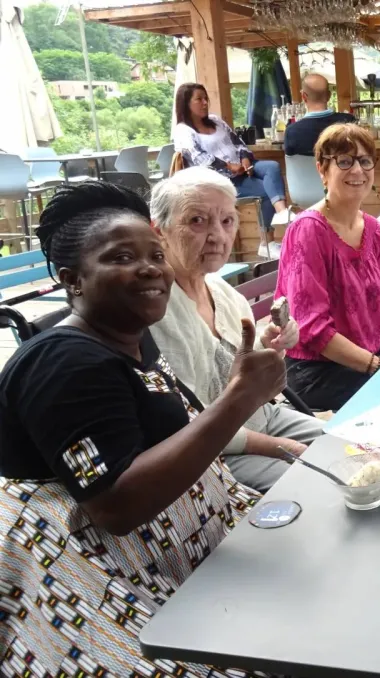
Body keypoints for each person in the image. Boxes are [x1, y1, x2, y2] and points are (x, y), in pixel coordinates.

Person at [0, 182, 286, 674]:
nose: (152, 267)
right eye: (122, 257)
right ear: (73, 281)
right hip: (94, 576)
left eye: (156, 254)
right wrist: (240, 398)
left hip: (188, 554)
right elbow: (114, 505)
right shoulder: (64, 364)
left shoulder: (132, 340)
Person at [148, 167, 325, 492]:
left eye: (227, 220)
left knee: (348, 450)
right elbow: (188, 425)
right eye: (197, 221)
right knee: (314, 485)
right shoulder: (156, 311)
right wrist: (281, 448)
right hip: (212, 453)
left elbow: (259, 386)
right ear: (159, 231)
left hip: (263, 417)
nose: (218, 235)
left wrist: (272, 346)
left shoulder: (224, 293)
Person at [277, 123, 380, 412]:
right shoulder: (308, 230)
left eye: (364, 160)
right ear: (322, 170)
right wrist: (378, 367)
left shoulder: (373, 228)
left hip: (370, 357)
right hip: (317, 370)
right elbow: (312, 328)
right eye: (344, 161)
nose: (358, 170)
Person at [171, 82, 290, 258]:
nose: (205, 103)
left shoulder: (216, 121)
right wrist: (229, 166)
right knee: (266, 191)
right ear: (186, 103)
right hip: (218, 182)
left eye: (206, 98)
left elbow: (238, 142)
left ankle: (282, 213)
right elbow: (199, 158)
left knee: (272, 166)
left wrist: (244, 158)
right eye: (199, 99)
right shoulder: (183, 131)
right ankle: (267, 242)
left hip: (241, 169)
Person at [284, 73, 356, 157]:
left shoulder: (291, 131)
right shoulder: (349, 122)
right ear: (329, 96)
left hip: (305, 170)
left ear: (304, 96)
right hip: (341, 169)